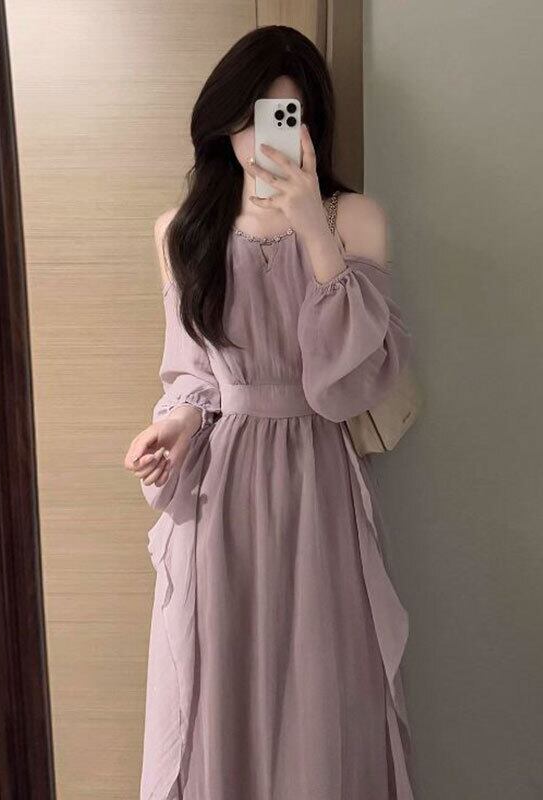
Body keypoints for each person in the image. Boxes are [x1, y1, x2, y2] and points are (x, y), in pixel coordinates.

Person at [123, 24, 416, 800]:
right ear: (223, 120)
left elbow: (344, 388)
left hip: (319, 485)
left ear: (311, 127)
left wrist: (314, 227)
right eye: (250, 117)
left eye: (285, 118)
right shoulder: (182, 231)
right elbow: (195, 374)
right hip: (220, 494)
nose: (264, 139)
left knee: (326, 692)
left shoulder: (356, 220)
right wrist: (176, 425)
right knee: (221, 687)